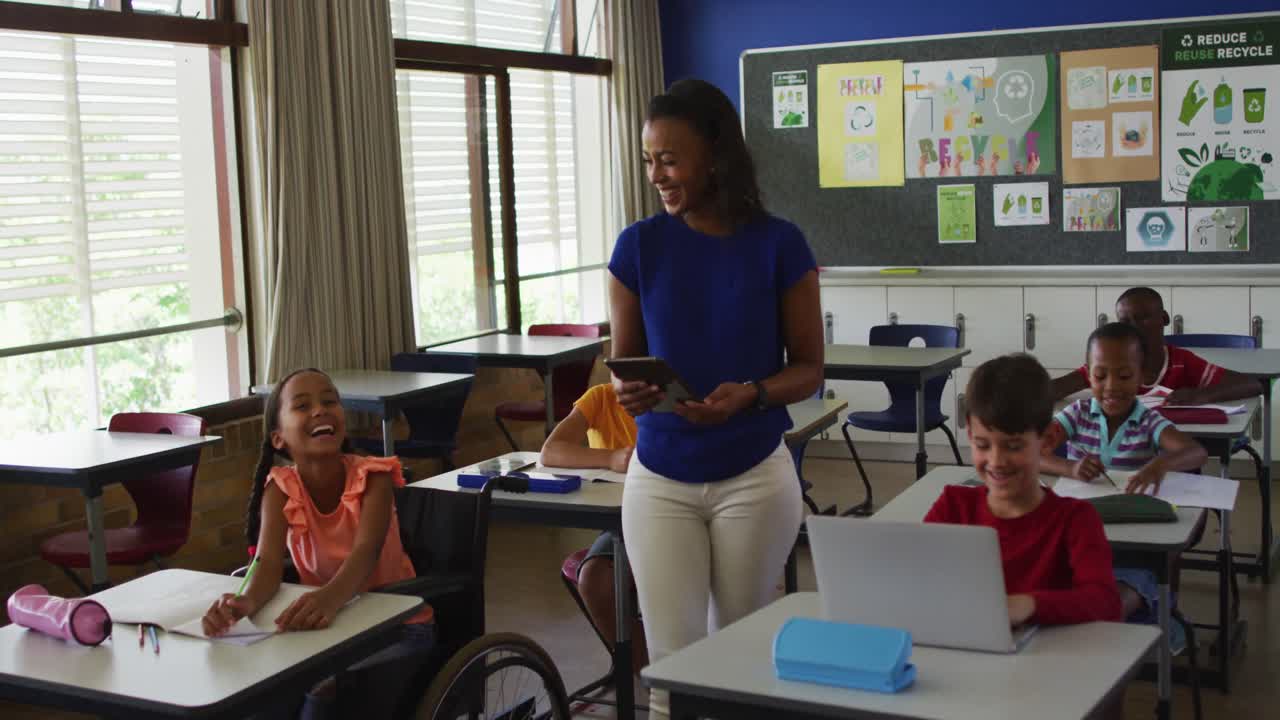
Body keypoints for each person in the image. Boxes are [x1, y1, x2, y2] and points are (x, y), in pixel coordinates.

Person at [608, 78, 823, 719]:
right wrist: (633, 393)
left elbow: (810, 369)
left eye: (670, 160)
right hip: (660, 478)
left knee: (739, 659)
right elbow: (625, 369)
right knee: (672, 671)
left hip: (752, 475)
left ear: (716, 156)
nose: (657, 175)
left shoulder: (780, 244)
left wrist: (751, 394)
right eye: (649, 160)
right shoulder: (637, 248)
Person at [202, 368, 434, 719]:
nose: (320, 410)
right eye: (302, 406)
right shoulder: (280, 488)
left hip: (398, 628)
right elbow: (265, 566)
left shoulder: (374, 477)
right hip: (327, 633)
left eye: (330, 401)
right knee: (261, 695)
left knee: (320, 698)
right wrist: (242, 604)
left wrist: (327, 598)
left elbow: (365, 553)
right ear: (279, 439)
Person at [924, 354, 1123, 627]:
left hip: (1050, 660)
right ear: (969, 434)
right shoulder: (954, 506)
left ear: (1048, 440)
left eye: (1014, 446)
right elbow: (918, 576)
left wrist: (1028, 604)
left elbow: (1105, 603)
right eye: (983, 445)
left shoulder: (1076, 520)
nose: (996, 461)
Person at [1041, 323, 1207, 621]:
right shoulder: (1077, 414)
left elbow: (1196, 451)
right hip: (1083, 539)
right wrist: (1071, 467)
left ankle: (1156, 622)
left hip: (1134, 549)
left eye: (1125, 376)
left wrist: (1161, 463)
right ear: (1088, 375)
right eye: (1100, 375)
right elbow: (1032, 452)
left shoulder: (1147, 420)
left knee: (1109, 608)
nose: (1111, 387)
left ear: (1142, 377)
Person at [539, 382, 648, 671]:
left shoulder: (678, 400)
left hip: (675, 517)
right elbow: (551, 452)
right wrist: (610, 458)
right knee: (595, 579)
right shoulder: (601, 398)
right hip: (622, 522)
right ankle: (645, 670)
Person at [1050, 287, 1260, 404]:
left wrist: (1201, 395)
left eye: (1143, 318)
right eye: (1125, 322)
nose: (1134, 327)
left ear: (1164, 318)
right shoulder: (1110, 365)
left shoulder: (1181, 362)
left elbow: (1253, 384)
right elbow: (1057, 389)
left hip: (1173, 456)